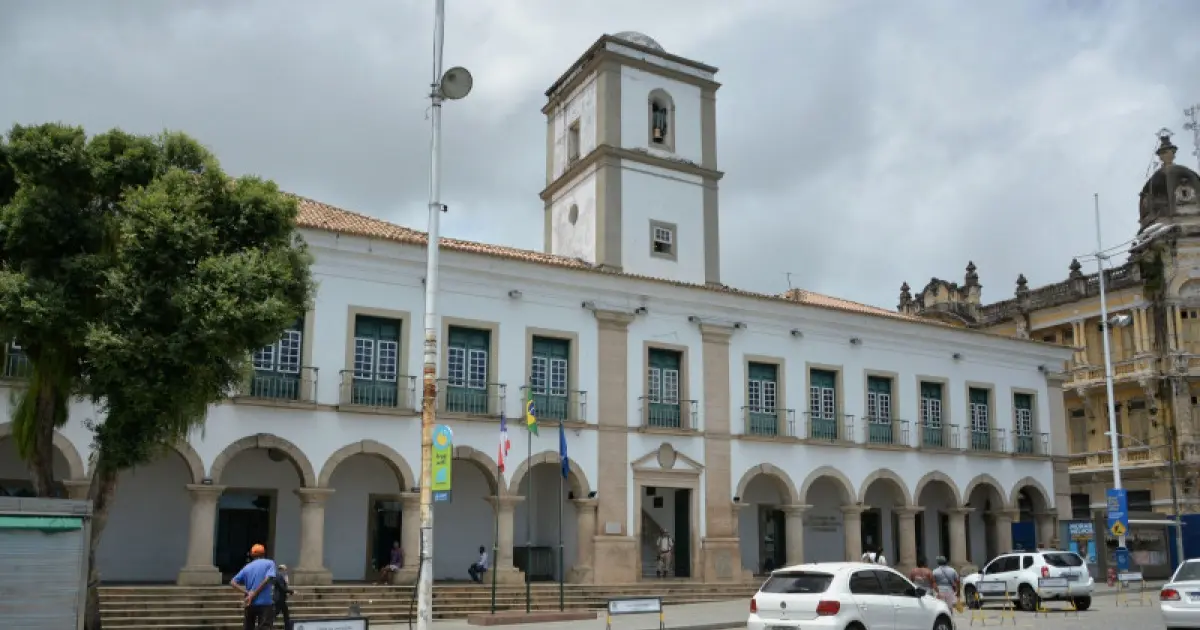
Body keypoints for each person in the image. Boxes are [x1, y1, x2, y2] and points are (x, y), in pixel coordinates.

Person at [231, 543, 276, 630]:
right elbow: (267, 579)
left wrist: (247, 593)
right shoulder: (270, 563)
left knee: (248, 627)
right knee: (265, 627)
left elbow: (233, 582)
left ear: (252, 555)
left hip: (250, 603)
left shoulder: (247, 567)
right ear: (264, 553)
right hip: (265, 603)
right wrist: (254, 594)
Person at [272, 563, 295, 630]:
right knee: (276, 613)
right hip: (279, 598)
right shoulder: (279, 576)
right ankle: (267, 625)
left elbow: (284, 586)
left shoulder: (282, 576)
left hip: (281, 598)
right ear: (281, 569)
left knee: (285, 614)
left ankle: (287, 627)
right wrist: (292, 591)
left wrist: (286, 582)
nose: (286, 571)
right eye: (285, 569)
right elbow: (282, 588)